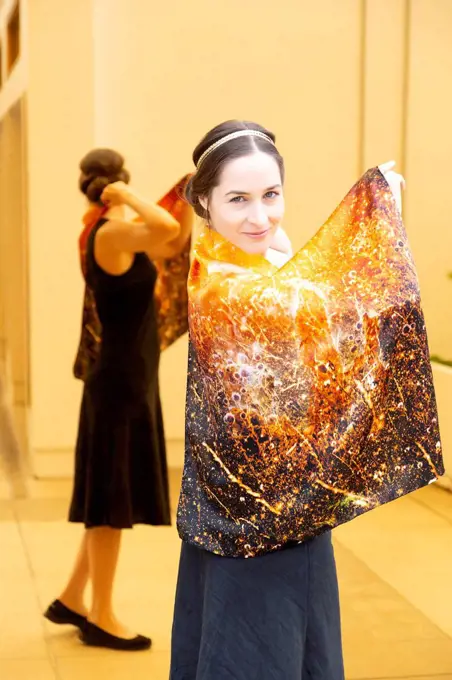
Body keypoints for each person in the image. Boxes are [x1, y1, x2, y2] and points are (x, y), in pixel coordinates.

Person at [169, 121, 444, 678]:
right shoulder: (225, 284)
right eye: (238, 200)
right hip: (254, 524)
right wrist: (370, 214)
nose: (260, 217)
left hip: (281, 509)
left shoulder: (252, 260)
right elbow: (327, 314)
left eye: (271, 195)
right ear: (203, 202)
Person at [44, 149, 193, 651]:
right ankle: (102, 616)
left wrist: (188, 191)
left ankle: (72, 597)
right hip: (120, 387)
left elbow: (173, 239)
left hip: (124, 381)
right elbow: (168, 232)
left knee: (107, 498)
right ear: (119, 183)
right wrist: (131, 197)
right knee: (110, 506)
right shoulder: (112, 231)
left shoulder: (107, 229)